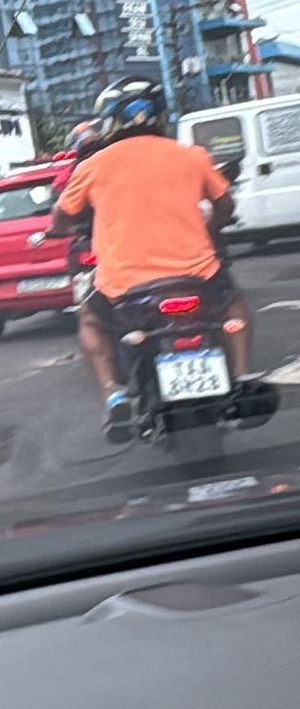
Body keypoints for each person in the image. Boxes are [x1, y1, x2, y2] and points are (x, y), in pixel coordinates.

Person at [38, 77, 254, 441]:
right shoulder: (191, 155)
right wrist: (213, 225)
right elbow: (225, 205)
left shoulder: (93, 166)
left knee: (90, 320)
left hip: (125, 288)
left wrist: (58, 229)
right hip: (198, 278)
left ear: (110, 120)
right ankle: (244, 378)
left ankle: (114, 395)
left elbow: (62, 215)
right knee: (234, 307)